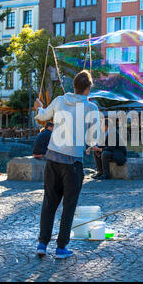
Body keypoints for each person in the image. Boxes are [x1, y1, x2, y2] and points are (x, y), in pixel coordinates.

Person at [34, 70, 100, 259]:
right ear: (87, 89)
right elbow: (92, 137)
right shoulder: (90, 107)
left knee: (49, 203)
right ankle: (61, 248)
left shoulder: (59, 100)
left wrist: (39, 108)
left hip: (53, 159)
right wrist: (92, 146)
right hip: (72, 163)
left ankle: (42, 243)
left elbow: (43, 116)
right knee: (69, 206)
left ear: (74, 86)